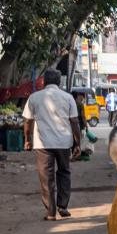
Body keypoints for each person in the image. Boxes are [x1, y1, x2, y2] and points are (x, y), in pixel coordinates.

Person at [22, 69, 81, 221]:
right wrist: (77, 144)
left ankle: (50, 212)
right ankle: (63, 205)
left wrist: (27, 139)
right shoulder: (68, 97)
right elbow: (74, 122)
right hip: (63, 142)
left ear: (44, 81)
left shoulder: (34, 97)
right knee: (64, 172)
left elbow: (27, 120)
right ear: (59, 81)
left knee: (46, 177)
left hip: (43, 144)